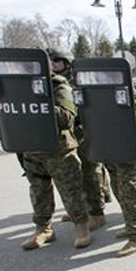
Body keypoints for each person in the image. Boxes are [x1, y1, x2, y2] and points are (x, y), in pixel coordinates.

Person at [21, 56, 91, 250]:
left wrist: (38, 99)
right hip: (32, 148)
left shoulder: (59, 87)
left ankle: (82, 226)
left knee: (71, 190)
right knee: (38, 191)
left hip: (59, 150)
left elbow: (67, 118)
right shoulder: (17, 87)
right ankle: (43, 228)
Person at [47, 47, 108, 230]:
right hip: (68, 136)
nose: (53, 65)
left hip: (85, 132)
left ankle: (97, 213)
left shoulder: (80, 79)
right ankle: (83, 209)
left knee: (91, 173)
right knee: (75, 176)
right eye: (52, 61)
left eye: (57, 61)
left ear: (66, 62)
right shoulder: (52, 82)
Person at [107, 87, 136, 257]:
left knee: (129, 194)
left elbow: (132, 124)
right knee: (118, 190)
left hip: (127, 152)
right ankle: (134, 225)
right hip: (110, 150)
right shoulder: (106, 96)